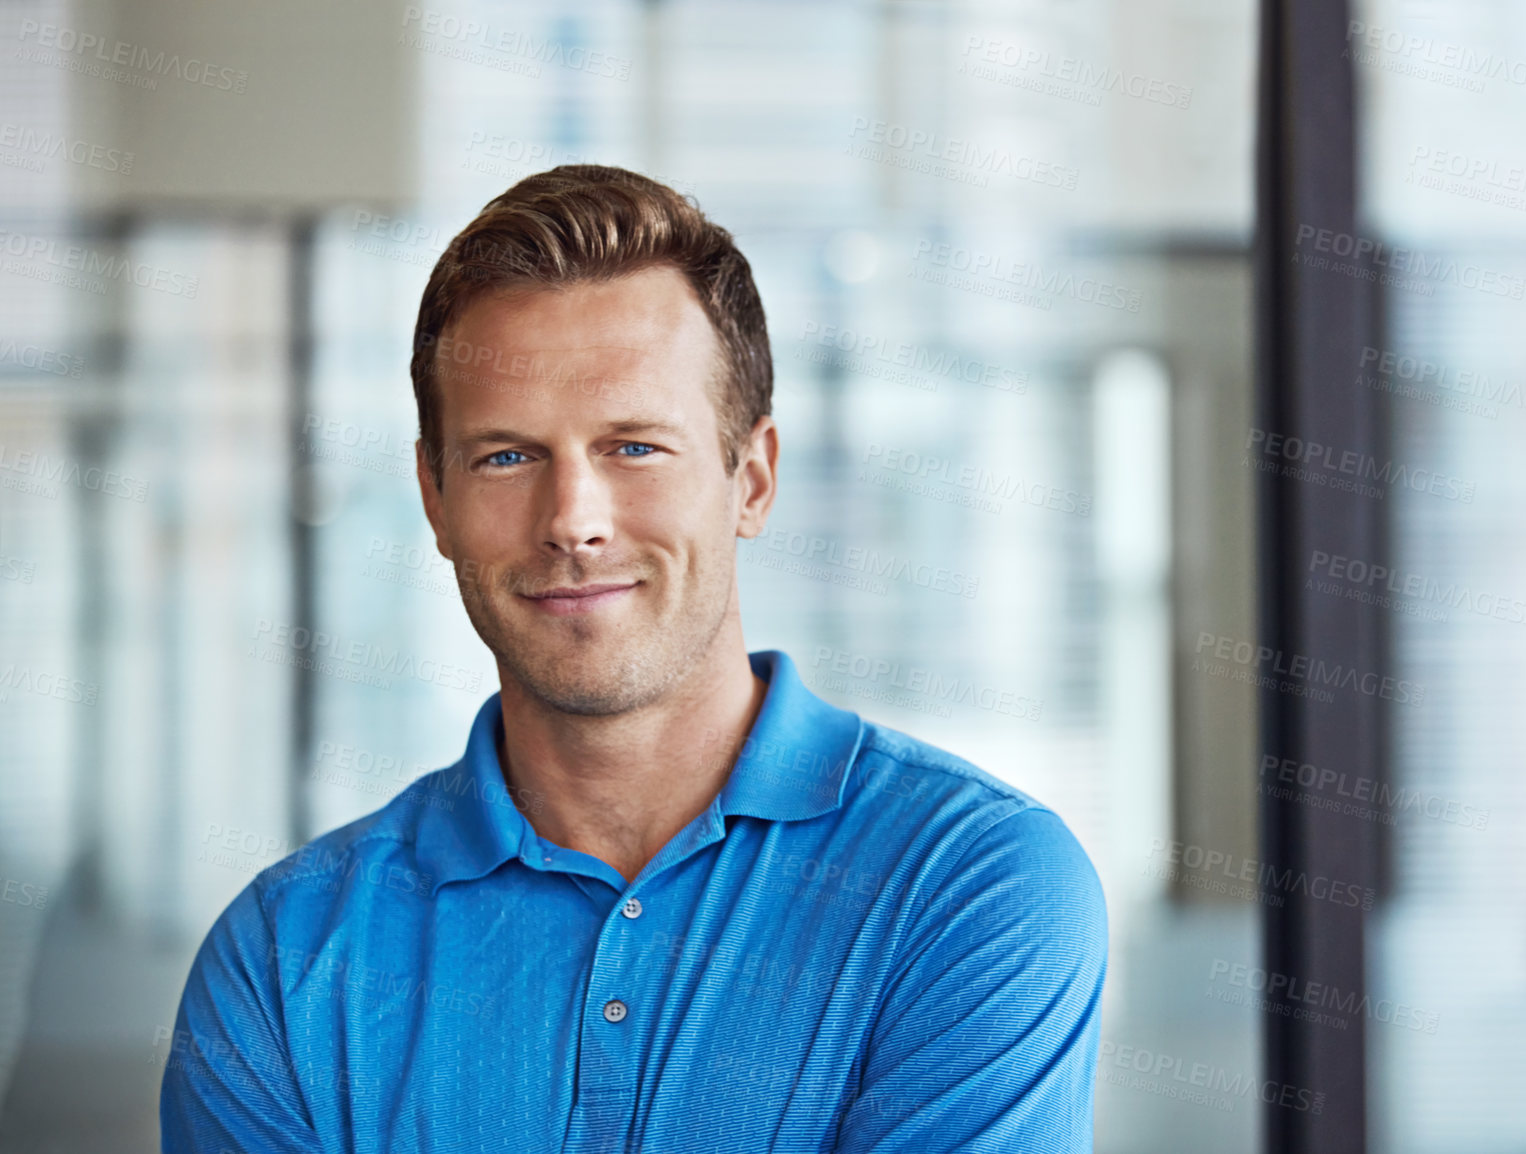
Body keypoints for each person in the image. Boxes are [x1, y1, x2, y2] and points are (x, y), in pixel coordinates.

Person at [159, 165, 1108, 1152]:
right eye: (506, 456)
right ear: (434, 498)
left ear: (753, 477)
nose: (573, 520)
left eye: (634, 447)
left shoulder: (968, 883)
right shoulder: (285, 956)